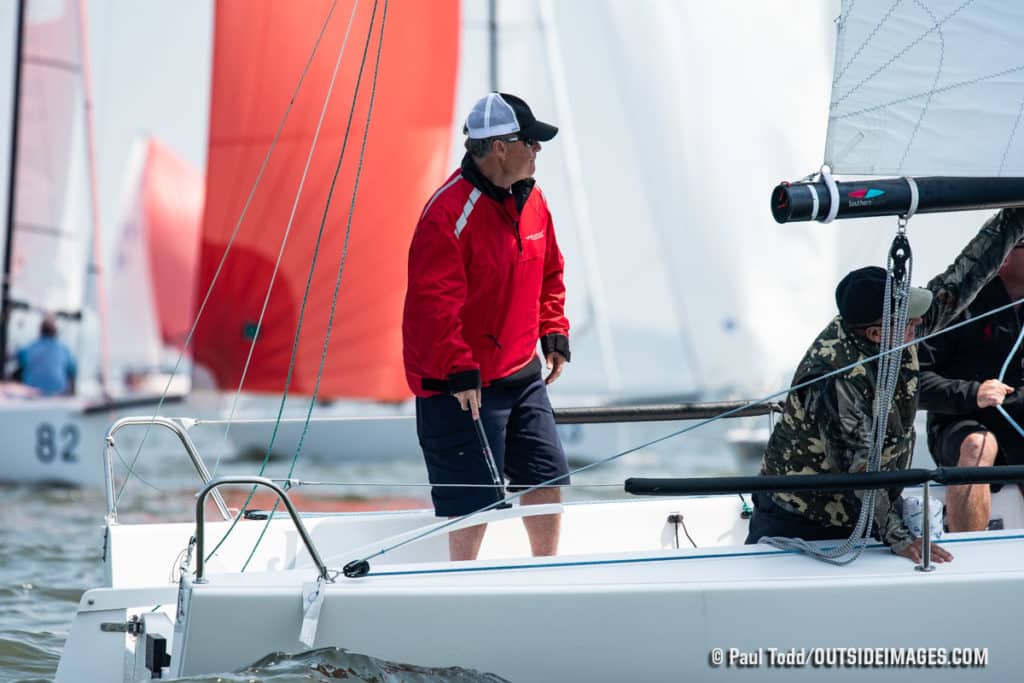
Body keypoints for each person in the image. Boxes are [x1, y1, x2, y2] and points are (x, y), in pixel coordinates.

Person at [746, 208, 1024, 563]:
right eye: (910, 320)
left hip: (860, 518)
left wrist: (1013, 219)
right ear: (876, 332)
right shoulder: (833, 376)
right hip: (802, 525)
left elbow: (959, 282)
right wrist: (899, 539)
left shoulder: (895, 329)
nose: (920, 323)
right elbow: (859, 470)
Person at [402, 92, 571, 561]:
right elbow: (434, 305)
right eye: (531, 142)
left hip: (520, 374)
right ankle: (462, 583)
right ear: (500, 147)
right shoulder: (446, 215)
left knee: (547, 478)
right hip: (461, 384)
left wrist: (552, 329)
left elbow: (551, 270)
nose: (538, 150)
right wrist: (458, 368)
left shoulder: (533, 200)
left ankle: (548, 573)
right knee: (471, 500)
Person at [918, 240, 1024, 531]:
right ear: (1003, 258)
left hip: (1018, 423)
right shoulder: (957, 306)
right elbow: (912, 382)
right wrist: (974, 393)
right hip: (960, 422)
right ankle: (966, 557)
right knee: (978, 445)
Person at [16, 314, 76, 396]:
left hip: (32, 391)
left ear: (40, 331)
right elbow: (73, 369)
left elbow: (20, 360)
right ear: (55, 332)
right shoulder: (63, 349)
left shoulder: (29, 347)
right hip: (58, 391)